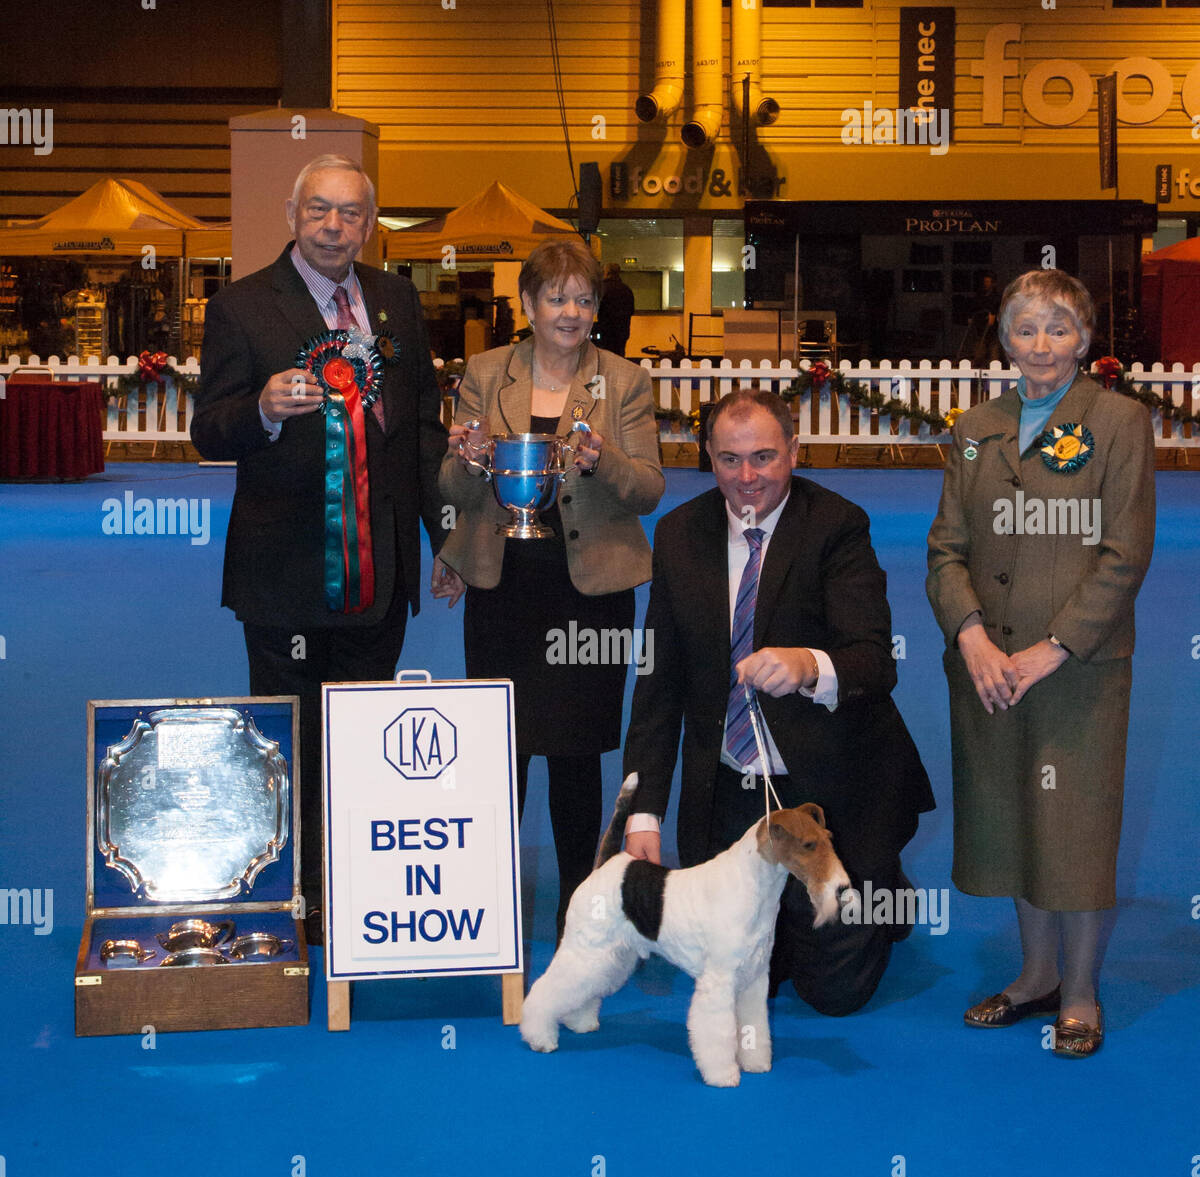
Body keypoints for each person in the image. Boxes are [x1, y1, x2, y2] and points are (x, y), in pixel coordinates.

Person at [191, 154, 449, 935]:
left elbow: (423, 430)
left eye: (351, 214)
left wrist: (448, 541)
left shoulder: (398, 299)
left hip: (380, 571)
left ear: (370, 223)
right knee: (291, 741)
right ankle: (294, 894)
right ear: (293, 215)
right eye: (320, 211)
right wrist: (262, 408)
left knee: (366, 736)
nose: (335, 226)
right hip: (285, 572)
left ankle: (360, 884)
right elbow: (208, 430)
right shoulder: (240, 307)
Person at [622, 389, 934, 1014]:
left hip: (831, 783)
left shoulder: (838, 526)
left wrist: (809, 666)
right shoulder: (680, 534)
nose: (747, 478)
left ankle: (880, 877)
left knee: (833, 995)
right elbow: (659, 686)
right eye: (729, 459)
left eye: (764, 457)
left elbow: (876, 661)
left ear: (795, 450)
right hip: (732, 786)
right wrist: (643, 814)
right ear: (706, 456)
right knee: (748, 980)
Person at [927, 269, 1155, 1057]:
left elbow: (1126, 556)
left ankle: (1083, 991)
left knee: (1078, 828)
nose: (1042, 344)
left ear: (1086, 339)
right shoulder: (973, 426)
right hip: (990, 666)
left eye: (1059, 327)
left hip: (1079, 668)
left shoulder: (1121, 422)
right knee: (1016, 818)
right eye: (1025, 328)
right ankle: (1034, 978)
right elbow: (945, 549)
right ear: (1004, 339)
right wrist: (972, 637)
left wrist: (1054, 646)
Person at [432, 238, 663, 938]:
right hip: (505, 588)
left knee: (577, 750)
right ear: (527, 305)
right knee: (502, 749)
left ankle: (578, 904)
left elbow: (649, 489)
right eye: (556, 297)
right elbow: (448, 488)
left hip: (589, 592)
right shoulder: (483, 372)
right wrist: (466, 463)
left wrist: (605, 461)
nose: (571, 311)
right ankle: (489, 900)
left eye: (584, 298)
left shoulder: (625, 380)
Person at [593, 262, 635, 358]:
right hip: (622, 331)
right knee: (619, 358)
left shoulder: (603, 288)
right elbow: (631, 310)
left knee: (604, 358)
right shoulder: (626, 290)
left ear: (607, 273)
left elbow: (594, 308)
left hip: (605, 331)